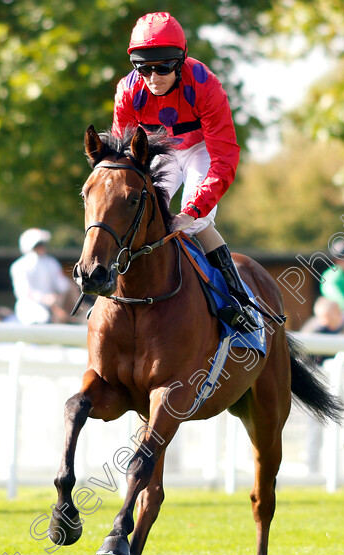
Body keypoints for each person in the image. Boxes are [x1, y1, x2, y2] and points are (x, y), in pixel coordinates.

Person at [112, 12, 258, 333]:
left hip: (201, 150)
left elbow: (224, 159)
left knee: (195, 223)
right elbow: (125, 160)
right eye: (144, 67)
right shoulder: (127, 91)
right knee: (142, 215)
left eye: (163, 66)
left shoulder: (205, 85)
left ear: (181, 61)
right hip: (160, 149)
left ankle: (235, 300)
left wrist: (192, 211)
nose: (153, 76)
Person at [10, 228, 72, 325]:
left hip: (54, 304)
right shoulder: (19, 265)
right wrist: (45, 299)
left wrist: (59, 295)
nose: (42, 247)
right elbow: (23, 292)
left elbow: (62, 285)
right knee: (43, 318)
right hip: (30, 306)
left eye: (43, 244)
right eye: (39, 245)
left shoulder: (52, 262)